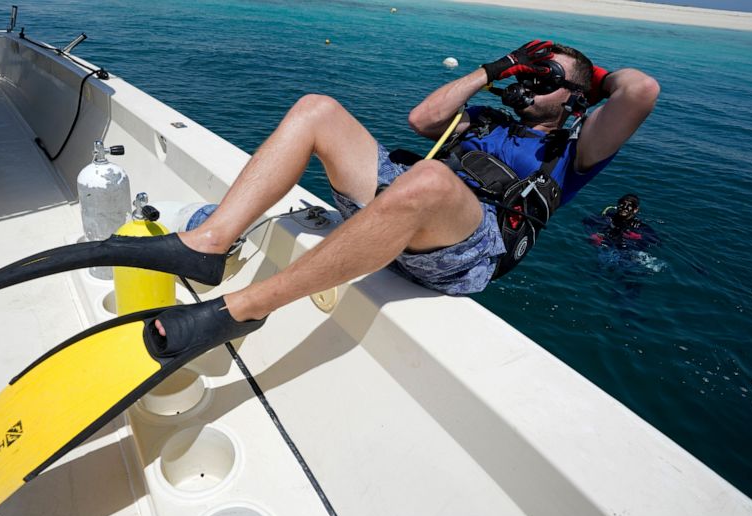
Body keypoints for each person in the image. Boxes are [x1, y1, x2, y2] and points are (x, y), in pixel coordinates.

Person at [151, 39, 660, 339]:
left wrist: (588, 76)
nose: (530, 84)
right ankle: (210, 243)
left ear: (576, 98)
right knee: (317, 109)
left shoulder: (577, 149)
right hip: (407, 204)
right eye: (530, 75)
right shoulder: (485, 119)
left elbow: (640, 90)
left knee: (433, 177)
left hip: (471, 247)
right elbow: (422, 119)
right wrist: (496, 68)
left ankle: (247, 307)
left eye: (544, 79)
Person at [583, 193, 660, 251]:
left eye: (628, 206)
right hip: (608, 245)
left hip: (627, 249)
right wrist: (596, 234)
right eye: (622, 204)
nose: (624, 208)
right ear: (618, 205)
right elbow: (587, 221)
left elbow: (655, 241)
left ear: (635, 209)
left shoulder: (638, 225)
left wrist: (637, 238)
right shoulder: (609, 216)